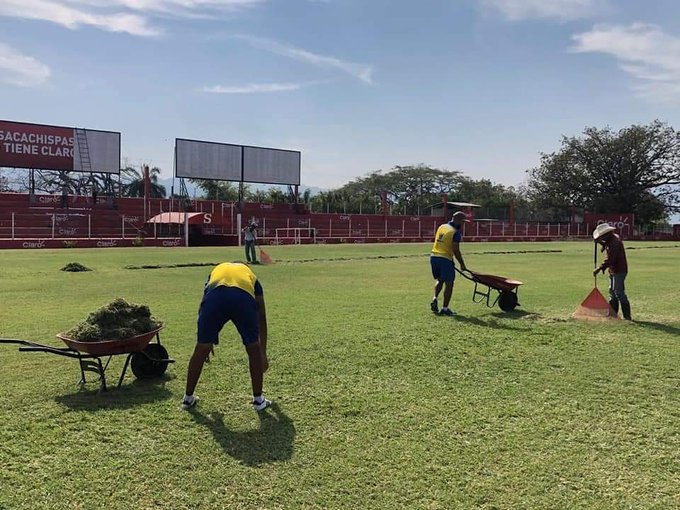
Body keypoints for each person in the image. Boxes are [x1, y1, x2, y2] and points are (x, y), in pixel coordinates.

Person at [181, 262, 270, 411]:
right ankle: (259, 401)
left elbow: (203, 304)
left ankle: (188, 399)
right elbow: (262, 316)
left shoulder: (215, 272)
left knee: (200, 348)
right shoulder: (252, 277)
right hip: (242, 299)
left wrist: (205, 341)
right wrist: (263, 353)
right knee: (252, 347)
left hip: (215, 298)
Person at [430, 210, 470, 316]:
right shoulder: (455, 232)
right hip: (444, 259)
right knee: (449, 283)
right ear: (458, 221)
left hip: (434, 256)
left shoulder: (442, 226)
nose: (463, 224)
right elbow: (456, 250)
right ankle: (445, 308)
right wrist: (462, 264)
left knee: (440, 279)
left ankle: (434, 298)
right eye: (463, 222)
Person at [593, 223, 631, 320]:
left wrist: (599, 268)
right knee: (612, 292)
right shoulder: (612, 238)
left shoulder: (615, 243)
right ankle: (613, 314)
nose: (601, 237)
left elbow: (610, 259)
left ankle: (627, 317)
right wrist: (600, 242)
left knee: (619, 292)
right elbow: (606, 245)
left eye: (602, 236)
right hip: (613, 270)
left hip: (619, 270)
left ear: (608, 233)